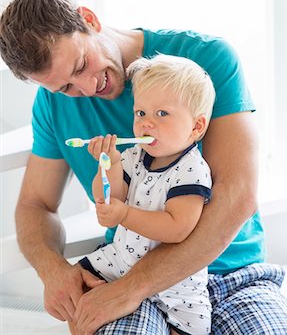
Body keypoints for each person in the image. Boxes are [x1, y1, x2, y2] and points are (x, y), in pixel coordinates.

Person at [0, 0, 287, 335]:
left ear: (89, 20)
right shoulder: (52, 106)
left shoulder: (206, 59)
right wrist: (53, 270)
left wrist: (131, 289)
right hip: (125, 274)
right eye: (66, 87)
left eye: (81, 65)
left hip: (232, 277)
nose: (87, 86)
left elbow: (238, 198)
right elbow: (36, 204)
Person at [81, 54, 215, 335]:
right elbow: (108, 198)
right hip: (122, 264)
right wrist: (110, 165)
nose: (146, 123)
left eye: (162, 114)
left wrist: (125, 214)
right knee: (80, 285)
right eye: (141, 113)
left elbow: (177, 228)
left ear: (196, 127)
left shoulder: (192, 170)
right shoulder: (134, 156)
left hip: (177, 287)